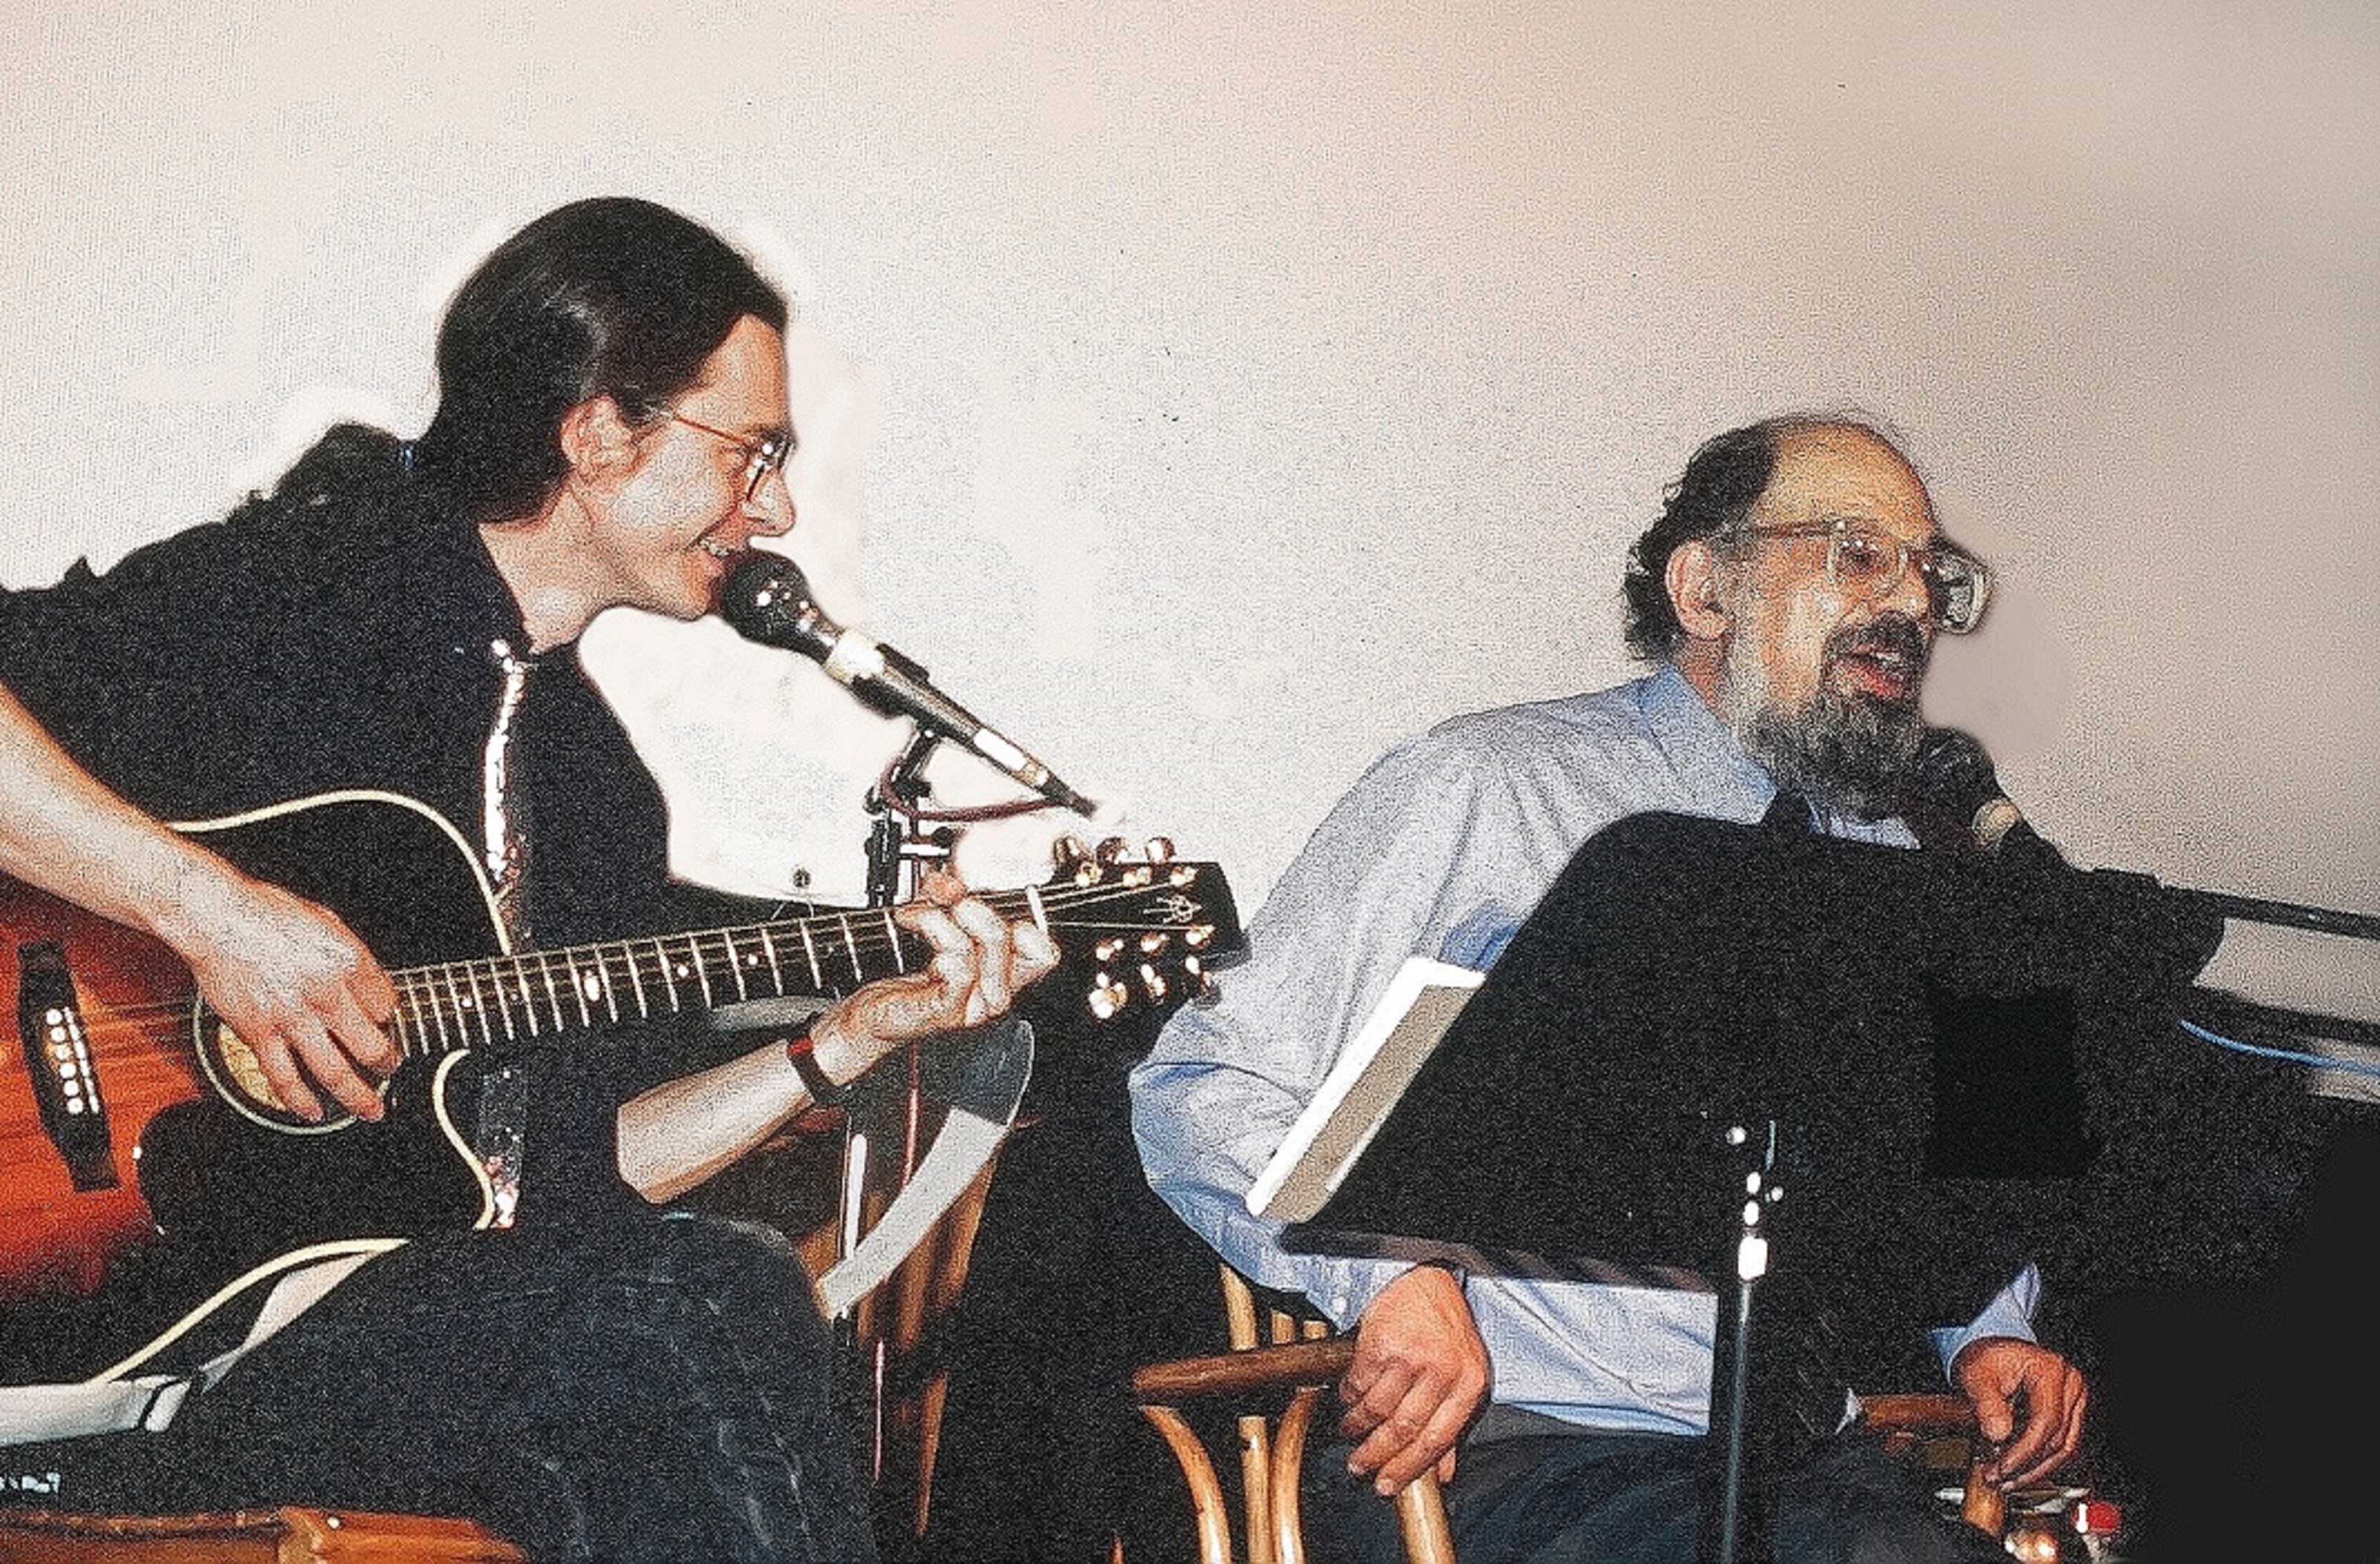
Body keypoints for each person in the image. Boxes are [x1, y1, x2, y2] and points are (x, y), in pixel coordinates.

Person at [0, 197, 1056, 1562]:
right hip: (129, 1367)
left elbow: (570, 1181)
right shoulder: (301, 591)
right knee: (708, 1299)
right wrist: (212, 913)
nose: (780, 509)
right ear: (601, 431)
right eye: (755, 453)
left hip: (391, 1357)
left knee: (666, 1356)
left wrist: (838, 1042)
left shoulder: (594, 789)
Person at [1131, 415, 2089, 1563]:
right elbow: (1204, 1078)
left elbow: (1912, 1176)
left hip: (1807, 1473)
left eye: (1930, 572)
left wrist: (1985, 1328)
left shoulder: (1891, 862)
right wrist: (1385, 1272)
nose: (1914, 603)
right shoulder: (1491, 784)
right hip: (1519, 1459)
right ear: (1704, 588)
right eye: (1856, 552)